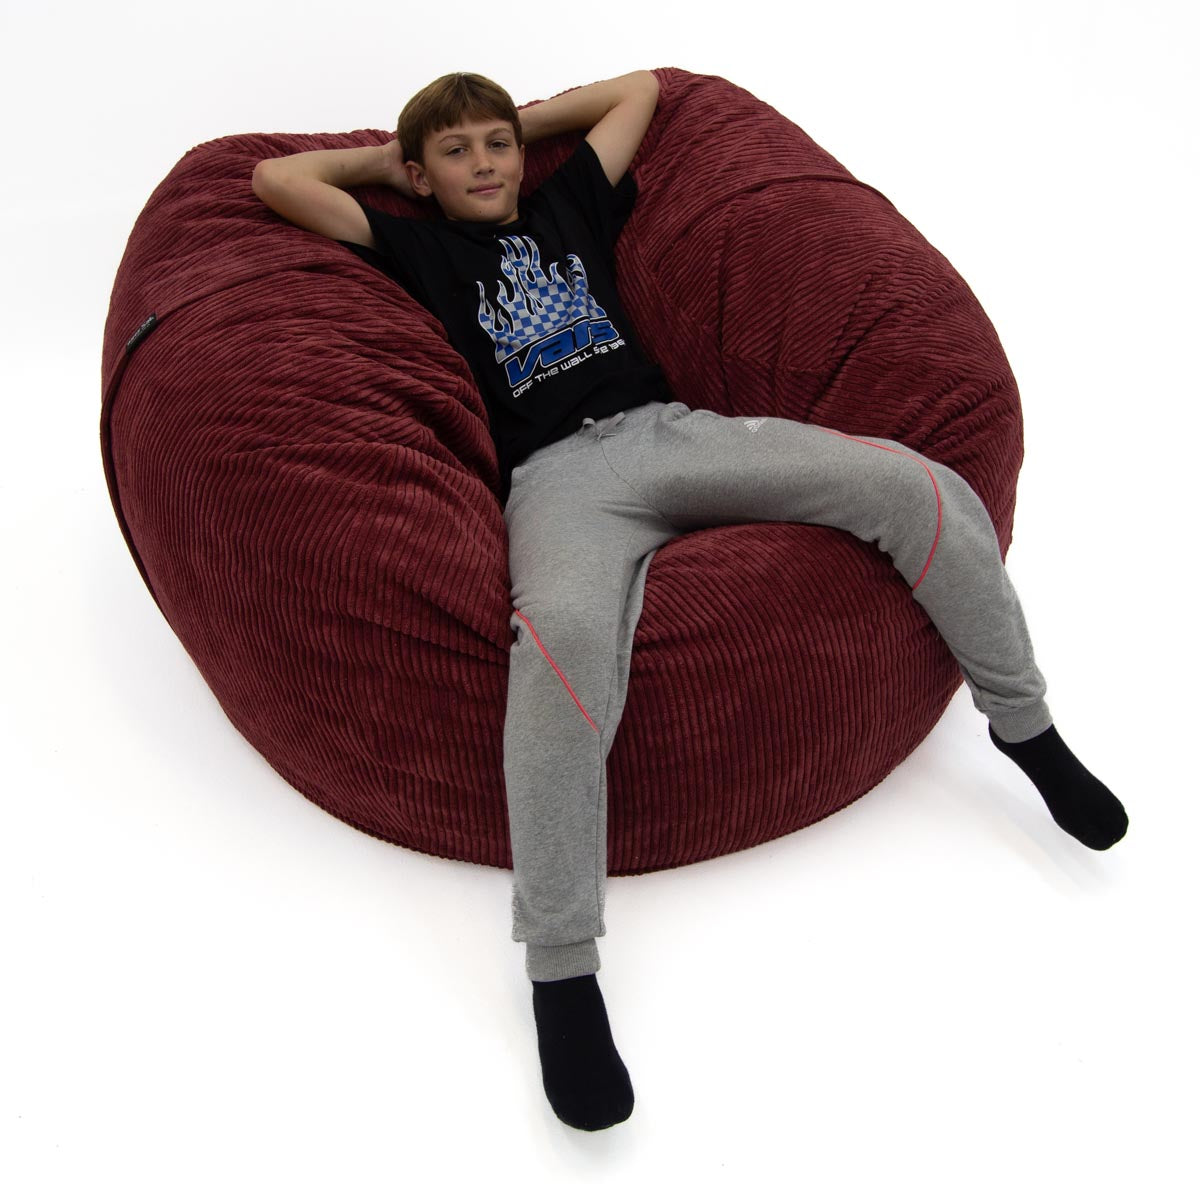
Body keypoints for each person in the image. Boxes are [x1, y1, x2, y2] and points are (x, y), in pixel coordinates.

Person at [250, 69, 1129, 1132]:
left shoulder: (571, 201)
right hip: (559, 483)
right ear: (421, 175)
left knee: (916, 482)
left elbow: (640, 94)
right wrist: (386, 163)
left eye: (497, 144)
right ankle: (563, 974)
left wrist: (527, 127)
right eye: (458, 152)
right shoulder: (418, 246)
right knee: (560, 641)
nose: (485, 164)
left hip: (675, 433)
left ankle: (1027, 731)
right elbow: (273, 179)